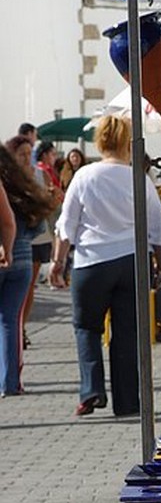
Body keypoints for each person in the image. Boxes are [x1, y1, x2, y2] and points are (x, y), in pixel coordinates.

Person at [49, 115, 161, 417]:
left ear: (99, 141)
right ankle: (128, 401)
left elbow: (67, 225)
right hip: (132, 261)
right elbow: (156, 228)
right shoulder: (140, 177)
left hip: (92, 262)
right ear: (129, 142)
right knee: (127, 333)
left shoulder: (85, 175)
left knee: (86, 327)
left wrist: (58, 263)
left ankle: (92, 390)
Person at [0, 144, 54, 397]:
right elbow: (37, 228)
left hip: (9, 254)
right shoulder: (22, 188)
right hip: (21, 259)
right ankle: (10, 382)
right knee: (11, 321)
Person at [6, 134, 52, 345]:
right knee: (9, 318)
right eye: (21, 154)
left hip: (33, 240)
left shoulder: (39, 175)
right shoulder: (7, 181)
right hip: (21, 244)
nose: (25, 158)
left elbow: (48, 205)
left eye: (28, 154)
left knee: (29, 287)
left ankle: (22, 327)